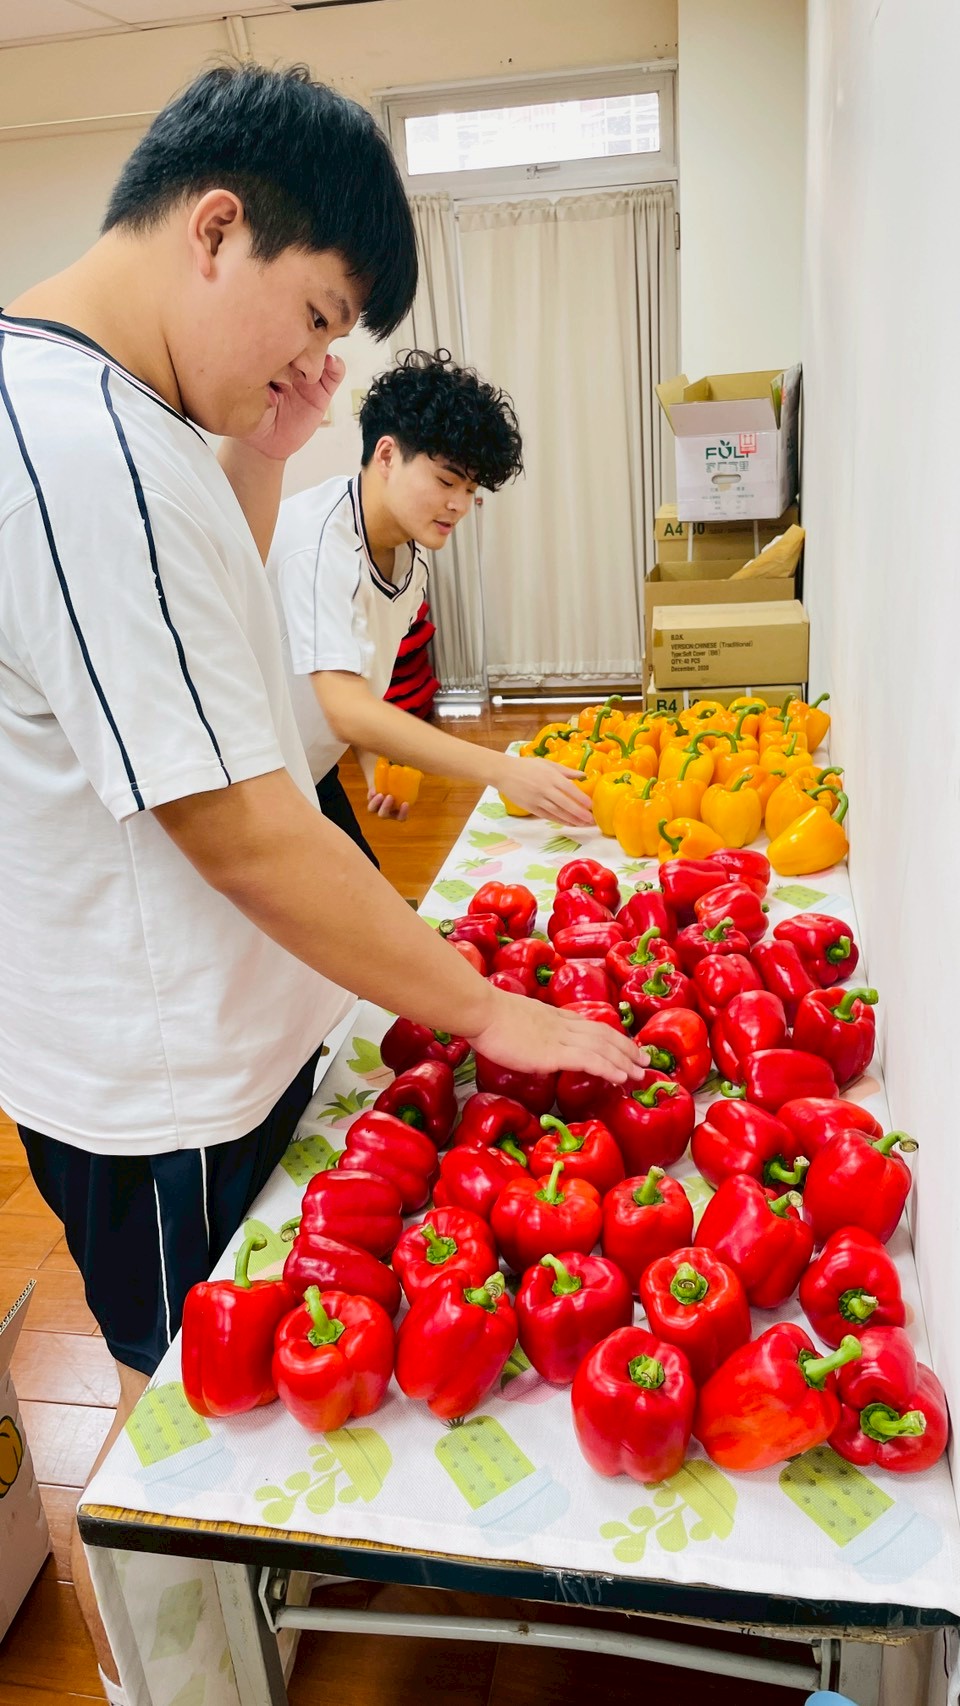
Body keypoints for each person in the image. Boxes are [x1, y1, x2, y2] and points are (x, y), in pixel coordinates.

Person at [0, 62, 642, 1700]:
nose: (319, 365)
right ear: (217, 230)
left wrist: (270, 449)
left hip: (231, 1029)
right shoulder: (68, 437)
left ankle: (265, 1626)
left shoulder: (138, 425)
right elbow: (234, 815)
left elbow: (216, 656)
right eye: (313, 314)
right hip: (164, 1077)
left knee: (281, 1394)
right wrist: (500, 1013)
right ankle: (190, 1681)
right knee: (193, 1430)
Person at [267, 348, 593, 862]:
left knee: (360, 897)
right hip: (252, 779)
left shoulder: (411, 559)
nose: (459, 505)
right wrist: (503, 770)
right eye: (445, 481)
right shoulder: (320, 544)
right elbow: (345, 707)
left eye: (469, 488)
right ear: (388, 455)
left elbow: (355, 682)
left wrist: (378, 765)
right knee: (349, 914)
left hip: (306, 765)